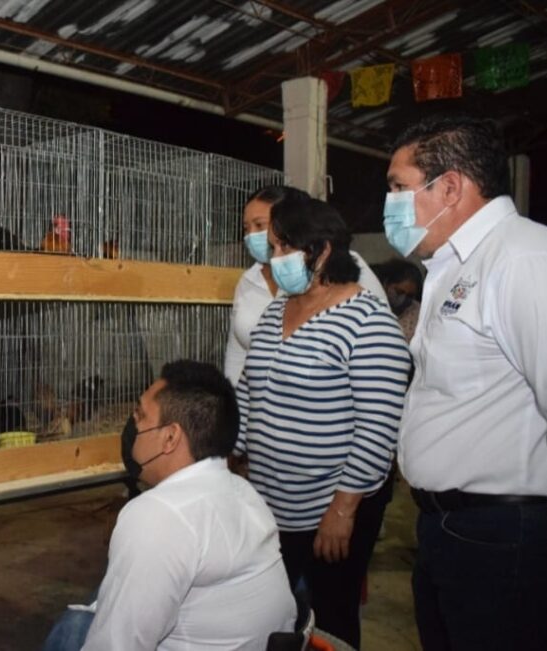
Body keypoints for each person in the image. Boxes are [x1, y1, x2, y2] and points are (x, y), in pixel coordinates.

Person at [385, 114, 547, 650]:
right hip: (450, 530)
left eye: (398, 187)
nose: (390, 203)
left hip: (506, 537)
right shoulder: (453, 267)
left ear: (450, 187)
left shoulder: (525, 258)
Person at [235, 194, 411, 649]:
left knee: (331, 618)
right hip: (271, 505)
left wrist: (342, 511)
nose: (275, 258)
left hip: (329, 509)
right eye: (273, 247)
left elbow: (377, 429)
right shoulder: (276, 312)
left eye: (284, 247)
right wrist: (218, 452)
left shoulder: (368, 321)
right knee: (273, 612)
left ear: (322, 250)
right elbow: (249, 392)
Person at [45, 360, 296, 651]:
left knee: (72, 628)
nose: (132, 423)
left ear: (170, 437)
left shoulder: (156, 517)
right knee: (99, 597)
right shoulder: (244, 493)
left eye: (140, 415)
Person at [224, 185, 387, 385]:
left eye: (259, 225)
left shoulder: (343, 268)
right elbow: (237, 352)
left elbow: (378, 341)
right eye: (246, 228)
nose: (251, 235)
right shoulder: (249, 283)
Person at [370, 258, 422, 342]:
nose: (403, 298)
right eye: (399, 292)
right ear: (386, 283)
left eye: (409, 296)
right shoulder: (371, 304)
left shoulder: (418, 313)